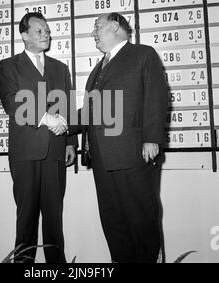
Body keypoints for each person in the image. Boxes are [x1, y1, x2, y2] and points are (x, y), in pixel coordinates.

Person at [72, 13, 168, 263]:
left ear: (115, 26)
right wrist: (60, 122)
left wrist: (152, 138)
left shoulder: (143, 54)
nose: (93, 32)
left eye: (97, 26)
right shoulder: (99, 67)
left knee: (141, 218)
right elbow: (92, 110)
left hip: (133, 154)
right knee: (113, 221)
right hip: (102, 159)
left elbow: (157, 96)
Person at [0, 12, 77, 263]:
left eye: (47, 30)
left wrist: (70, 143)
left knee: (54, 218)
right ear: (24, 35)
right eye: (39, 31)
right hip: (25, 152)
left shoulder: (60, 68)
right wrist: (45, 118)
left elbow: (67, 106)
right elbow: (11, 102)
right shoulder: (9, 65)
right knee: (27, 219)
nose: (46, 34)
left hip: (55, 151)